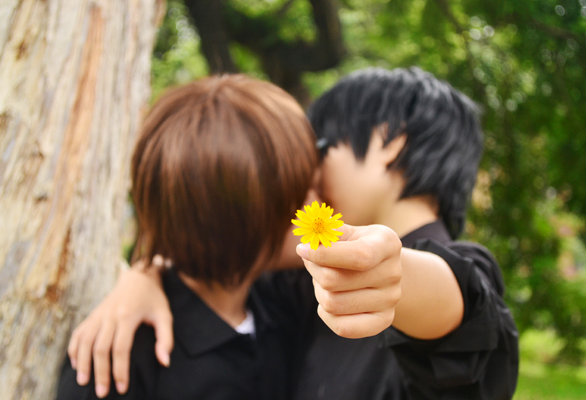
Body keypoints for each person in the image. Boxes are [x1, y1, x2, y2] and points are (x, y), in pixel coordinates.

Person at [67, 67, 519, 399]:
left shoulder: (449, 280)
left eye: (321, 148)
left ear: (389, 141)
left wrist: (400, 277)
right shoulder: (296, 284)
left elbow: (467, 311)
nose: (309, 174)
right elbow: (224, 243)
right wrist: (146, 271)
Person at [58, 74, 320, 399]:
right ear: (247, 222)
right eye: (304, 191)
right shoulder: (121, 356)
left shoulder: (286, 302)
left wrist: (144, 270)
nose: (321, 203)